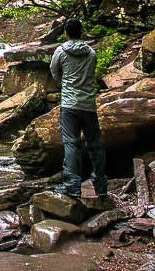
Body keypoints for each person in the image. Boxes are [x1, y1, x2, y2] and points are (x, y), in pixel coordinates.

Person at [49, 17, 107, 197]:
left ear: (66, 33)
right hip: (88, 104)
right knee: (95, 144)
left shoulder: (61, 51)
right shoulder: (91, 53)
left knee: (71, 143)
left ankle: (73, 186)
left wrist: (64, 83)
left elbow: (54, 70)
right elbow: (91, 73)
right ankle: (101, 185)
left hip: (69, 104)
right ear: (81, 32)